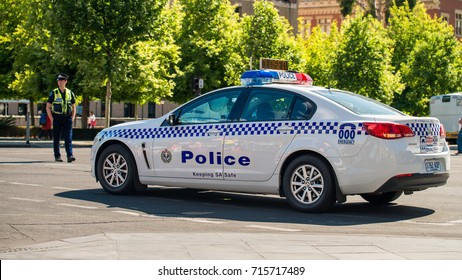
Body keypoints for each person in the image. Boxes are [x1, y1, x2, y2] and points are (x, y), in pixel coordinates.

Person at [46, 73, 76, 163]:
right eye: (58, 80)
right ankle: (57, 156)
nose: (59, 82)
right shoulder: (54, 93)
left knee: (68, 138)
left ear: (65, 81)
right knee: (56, 138)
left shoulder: (70, 93)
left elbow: (74, 106)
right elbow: (48, 106)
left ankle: (70, 155)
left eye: (61, 80)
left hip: (67, 118)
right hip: (57, 118)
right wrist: (52, 119)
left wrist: (73, 117)